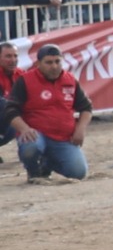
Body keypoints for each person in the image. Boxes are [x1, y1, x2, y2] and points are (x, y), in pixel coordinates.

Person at [3, 43, 91, 180]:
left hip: (63, 138)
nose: (54, 66)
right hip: (36, 134)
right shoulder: (25, 81)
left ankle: (47, 164)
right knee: (30, 148)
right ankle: (34, 172)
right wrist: (24, 129)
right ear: (38, 64)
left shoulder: (70, 80)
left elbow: (86, 108)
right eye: (49, 62)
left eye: (57, 61)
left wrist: (80, 129)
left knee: (78, 172)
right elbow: (10, 110)